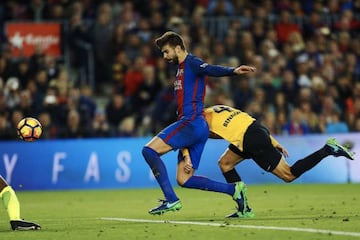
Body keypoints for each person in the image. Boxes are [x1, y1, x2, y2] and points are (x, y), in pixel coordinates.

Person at [142, 31, 256, 215]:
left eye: (166, 51)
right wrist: (185, 153)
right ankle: (234, 190)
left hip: (191, 123)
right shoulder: (180, 69)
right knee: (184, 179)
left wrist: (233, 71)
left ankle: (171, 200)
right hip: (197, 127)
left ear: (178, 48)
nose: (164, 56)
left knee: (148, 151)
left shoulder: (192, 62)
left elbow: (210, 68)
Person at [181, 105, 354, 218]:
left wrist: (187, 156)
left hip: (250, 138)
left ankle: (328, 150)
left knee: (288, 174)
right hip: (253, 131)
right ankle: (244, 209)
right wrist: (274, 141)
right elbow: (249, 120)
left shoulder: (200, 122)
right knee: (225, 163)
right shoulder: (216, 108)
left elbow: (188, 140)